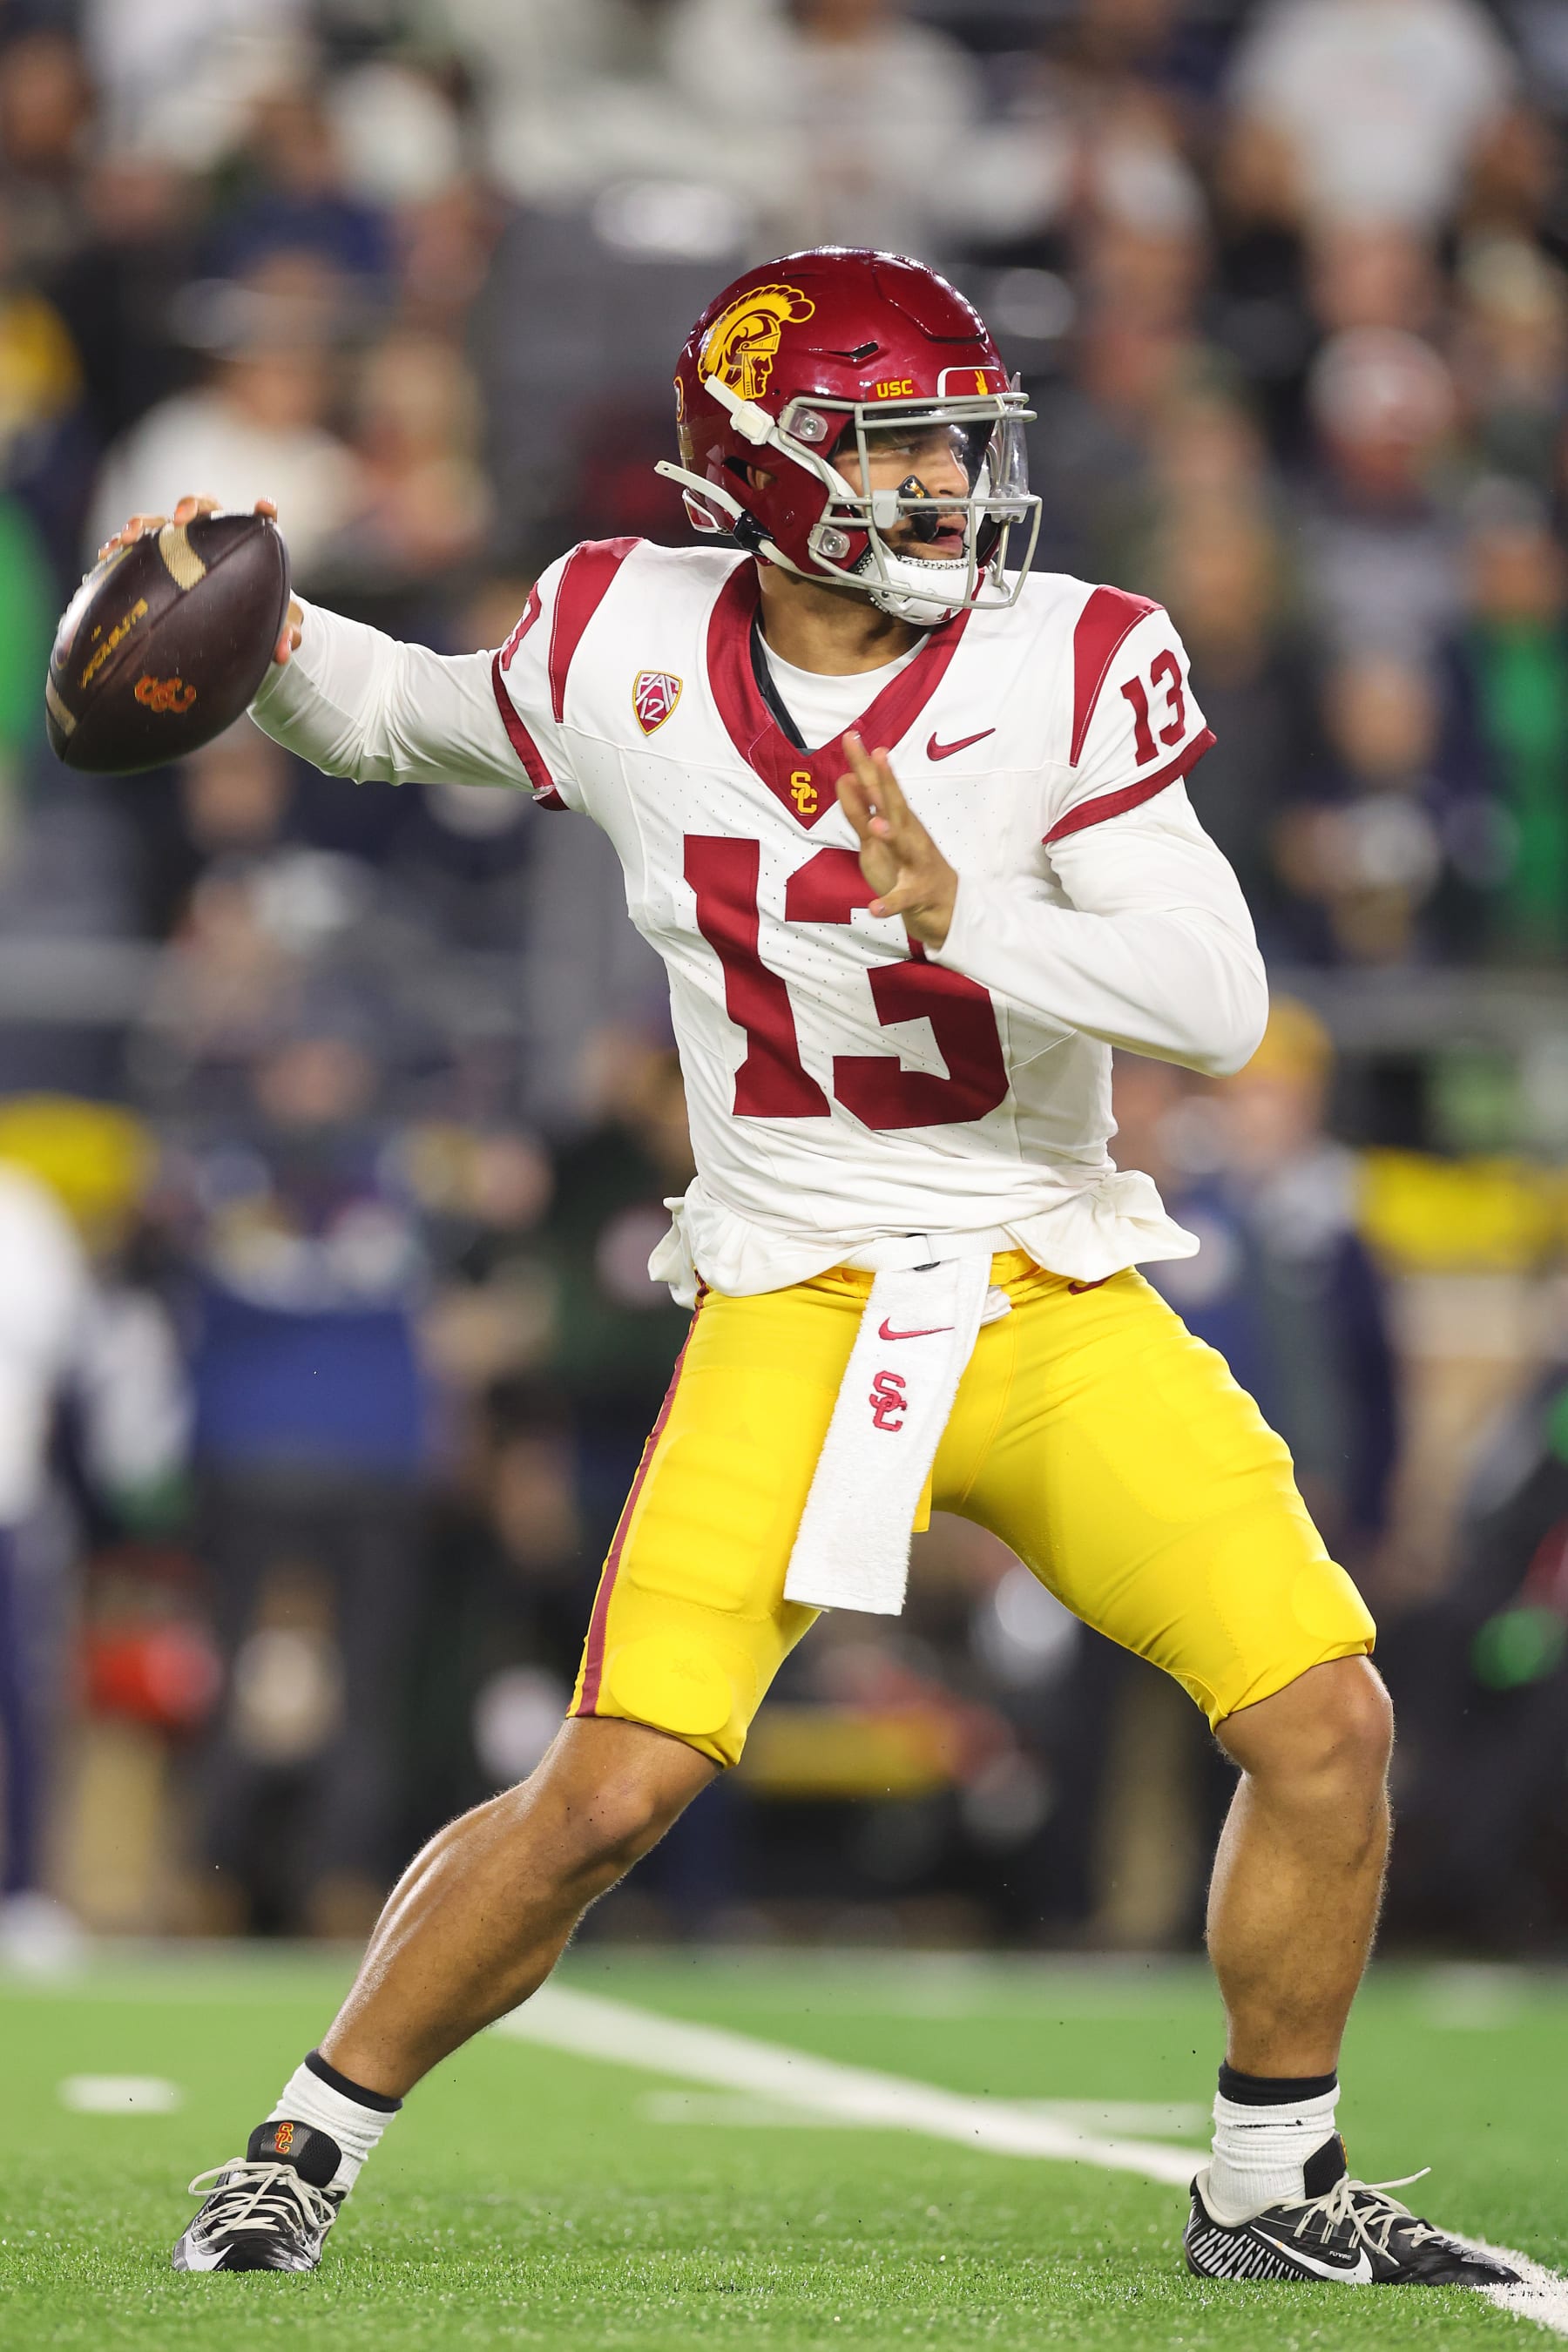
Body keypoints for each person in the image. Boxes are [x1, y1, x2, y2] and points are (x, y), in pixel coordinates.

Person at [105, 247, 1511, 2291]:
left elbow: (1216, 1002)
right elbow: (410, 721)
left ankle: (1270, 2186)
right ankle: (300, 2147)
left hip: (1044, 1288)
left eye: (961, 438)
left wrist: (968, 921)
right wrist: (262, 622)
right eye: (899, 444)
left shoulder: (1071, 656)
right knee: (606, 1792)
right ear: (756, 471)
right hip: (794, 1291)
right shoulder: (620, 632)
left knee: (1328, 1722)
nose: (950, 482)